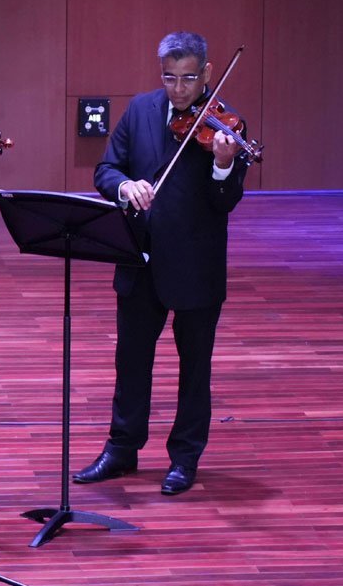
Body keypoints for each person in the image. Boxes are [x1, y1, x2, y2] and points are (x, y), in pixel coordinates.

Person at [73, 31, 249, 495]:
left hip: (195, 266)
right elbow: (106, 170)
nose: (178, 89)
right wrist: (124, 186)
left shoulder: (226, 126)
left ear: (207, 73)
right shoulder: (140, 110)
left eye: (188, 78)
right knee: (131, 362)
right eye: (170, 78)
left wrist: (223, 165)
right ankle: (121, 449)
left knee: (195, 370)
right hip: (139, 259)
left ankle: (185, 458)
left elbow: (225, 201)